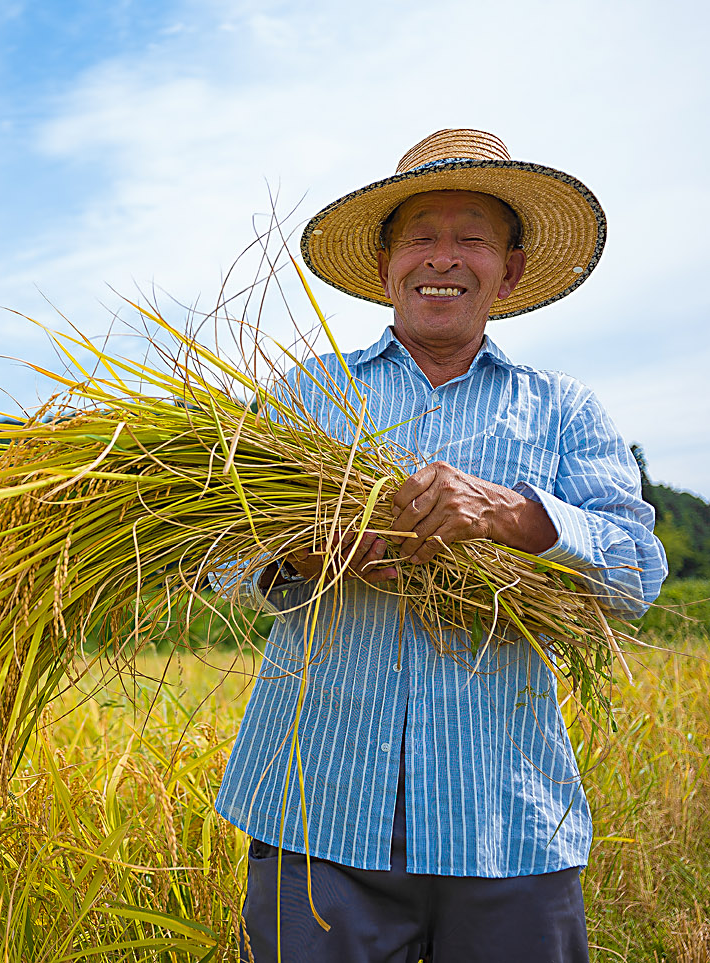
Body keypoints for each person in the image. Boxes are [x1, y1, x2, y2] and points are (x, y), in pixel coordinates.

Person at [217, 129, 668, 963]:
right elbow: (219, 558)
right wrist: (312, 555)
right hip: (320, 808)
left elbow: (638, 573)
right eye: (421, 235)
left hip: (504, 816)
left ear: (512, 270)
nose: (443, 258)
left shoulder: (563, 409)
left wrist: (509, 513)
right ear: (387, 262)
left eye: (472, 239)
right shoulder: (308, 394)